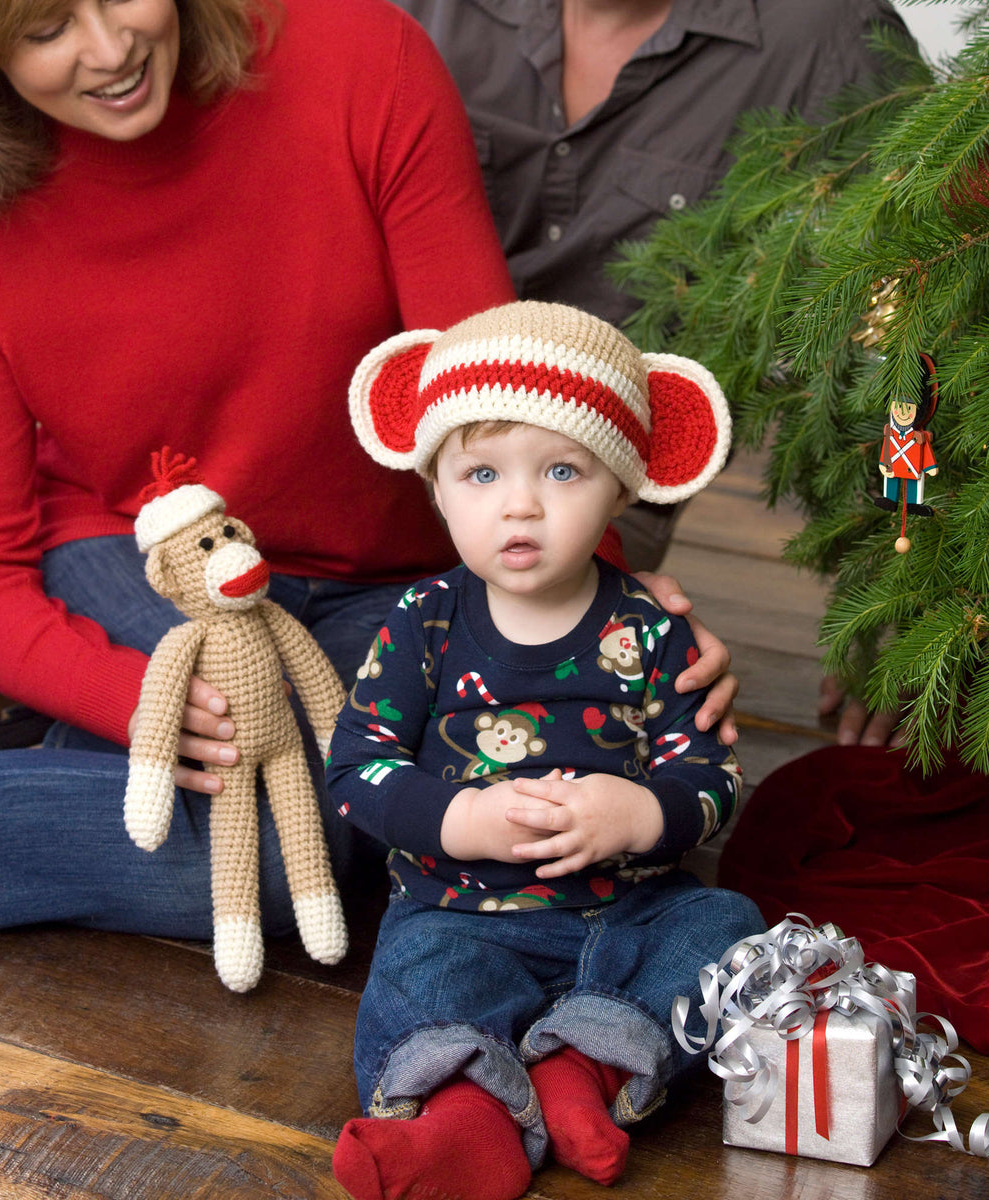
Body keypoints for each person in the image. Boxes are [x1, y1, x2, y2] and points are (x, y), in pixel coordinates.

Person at [0, 0, 729, 940]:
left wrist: (609, 622)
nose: (111, 47)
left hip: (397, 580)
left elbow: (502, 403)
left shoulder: (363, 60)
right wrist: (138, 705)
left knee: (389, 797)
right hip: (140, 554)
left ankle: (51, 766)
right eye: (47, 33)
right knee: (286, 855)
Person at [325, 300, 764, 1200]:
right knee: (416, 975)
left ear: (624, 489)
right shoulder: (424, 625)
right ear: (435, 487)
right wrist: (460, 818)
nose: (519, 504)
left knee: (728, 932)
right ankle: (467, 1120)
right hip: (461, 910)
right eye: (480, 474)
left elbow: (709, 774)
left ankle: (587, 1069)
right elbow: (355, 768)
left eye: (562, 470)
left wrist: (643, 812)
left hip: (631, 915)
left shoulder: (651, 629)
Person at [394, 0, 914, 744]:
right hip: (397, 437)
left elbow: (931, 318)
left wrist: (905, 586)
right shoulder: (420, 14)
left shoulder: (827, 35)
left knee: (537, 725)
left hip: (608, 484)